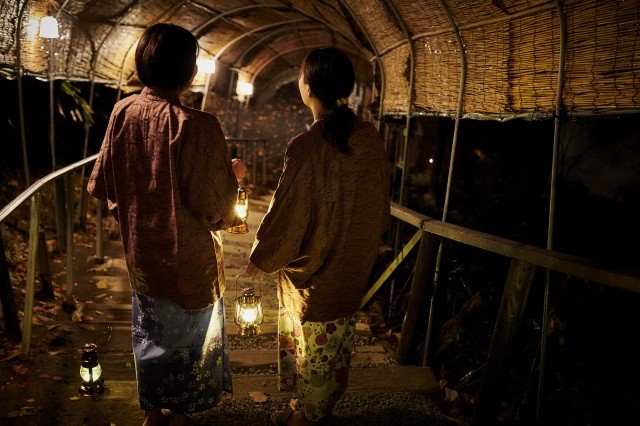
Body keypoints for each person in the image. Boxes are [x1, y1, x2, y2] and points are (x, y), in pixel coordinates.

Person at [87, 23, 247, 426]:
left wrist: (138, 210)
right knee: (191, 340)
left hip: (142, 253)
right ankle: (180, 413)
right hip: (188, 259)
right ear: (188, 72)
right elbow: (216, 205)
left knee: (150, 333)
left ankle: (153, 413)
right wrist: (232, 178)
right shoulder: (197, 124)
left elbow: (104, 184)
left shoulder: (123, 111)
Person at [246, 47, 391, 426]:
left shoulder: (306, 146)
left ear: (308, 87)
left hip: (313, 275)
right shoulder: (369, 138)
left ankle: (307, 419)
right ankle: (317, 408)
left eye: (300, 76)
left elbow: (287, 213)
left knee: (310, 348)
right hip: (352, 265)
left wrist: (264, 255)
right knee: (334, 346)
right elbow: (380, 205)